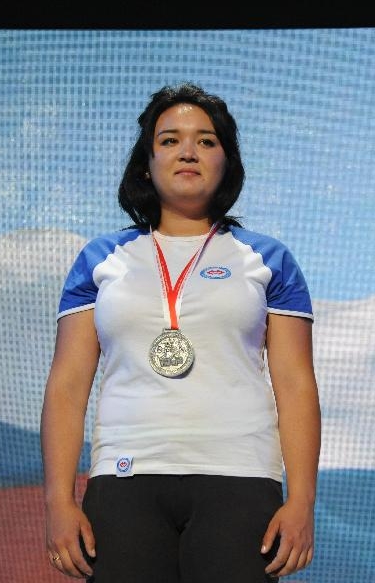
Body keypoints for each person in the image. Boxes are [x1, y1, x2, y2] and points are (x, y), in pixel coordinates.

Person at [41, 82, 321, 582]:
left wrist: (302, 502)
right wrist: (59, 502)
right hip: (125, 478)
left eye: (206, 140)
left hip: (240, 478)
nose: (188, 151)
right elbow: (66, 386)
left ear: (227, 162)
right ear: (145, 163)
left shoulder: (269, 259)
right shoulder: (100, 259)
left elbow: (297, 386)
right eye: (169, 140)